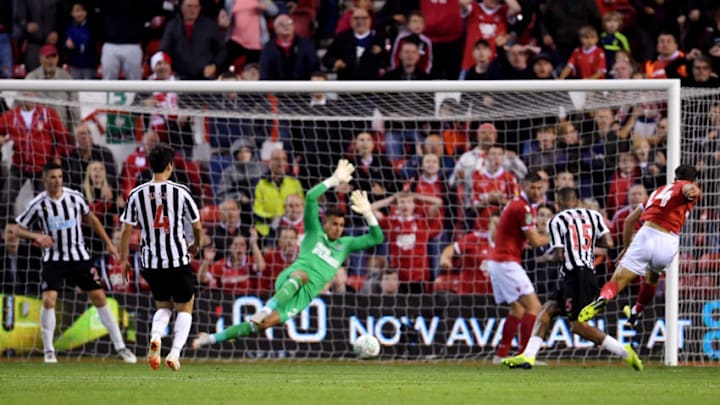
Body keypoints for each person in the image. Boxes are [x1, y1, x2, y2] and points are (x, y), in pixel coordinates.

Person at [192, 160, 384, 347]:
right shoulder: (313, 232)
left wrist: (368, 213)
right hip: (291, 279)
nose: (338, 229)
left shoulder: (346, 244)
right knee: (302, 275)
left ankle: (209, 339)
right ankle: (266, 308)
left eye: (341, 226)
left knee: (260, 325)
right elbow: (310, 196)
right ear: (324, 222)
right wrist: (333, 180)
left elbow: (377, 238)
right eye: (334, 224)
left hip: (304, 296)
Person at [502, 187, 643, 371]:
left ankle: (624, 351)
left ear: (558, 204)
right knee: (547, 310)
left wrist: (546, 258)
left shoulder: (556, 220)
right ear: (577, 202)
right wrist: (585, 245)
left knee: (578, 326)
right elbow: (608, 243)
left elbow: (560, 255)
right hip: (586, 274)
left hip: (576, 276)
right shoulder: (594, 216)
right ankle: (528, 356)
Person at [14, 162, 136, 364]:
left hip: (79, 257)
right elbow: (17, 229)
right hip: (54, 260)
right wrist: (35, 236)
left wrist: (109, 245)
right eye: (53, 177)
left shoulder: (74, 197)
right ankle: (49, 351)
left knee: (99, 297)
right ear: (45, 179)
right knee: (48, 300)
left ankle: (121, 347)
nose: (57, 181)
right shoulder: (37, 203)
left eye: (60, 176)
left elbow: (93, 220)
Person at [578, 165, 702, 326]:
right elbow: (689, 189)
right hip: (668, 242)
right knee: (652, 277)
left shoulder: (657, 192)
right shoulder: (689, 187)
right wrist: (694, 190)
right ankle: (636, 312)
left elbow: (629, 221)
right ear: (695, 180)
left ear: (674, 177)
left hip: (647, 233)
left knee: (617, 281)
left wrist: (626, 247)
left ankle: (603, 299)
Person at [119, 144, 203, 371]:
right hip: (176, 259)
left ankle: (156, 336)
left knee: (163, 306)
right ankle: (174, 354)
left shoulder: (136, 194)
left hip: (151, 262)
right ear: (170, 166)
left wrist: (123, 260)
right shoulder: (181, 191)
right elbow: (197, 225)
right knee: (185, 307)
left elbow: (126, 230)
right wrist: (196, 245)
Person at [486, 170, 549, 362]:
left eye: (540, 188)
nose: (537, 191)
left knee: (518, 310)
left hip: (499, 261)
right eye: (533, 188)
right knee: (534, 307)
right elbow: (536, 241)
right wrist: (558, 236)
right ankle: (524, 355)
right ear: (524, 186)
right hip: (506, 262)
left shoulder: (523, 206)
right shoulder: (522, 208)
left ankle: (501, 355)